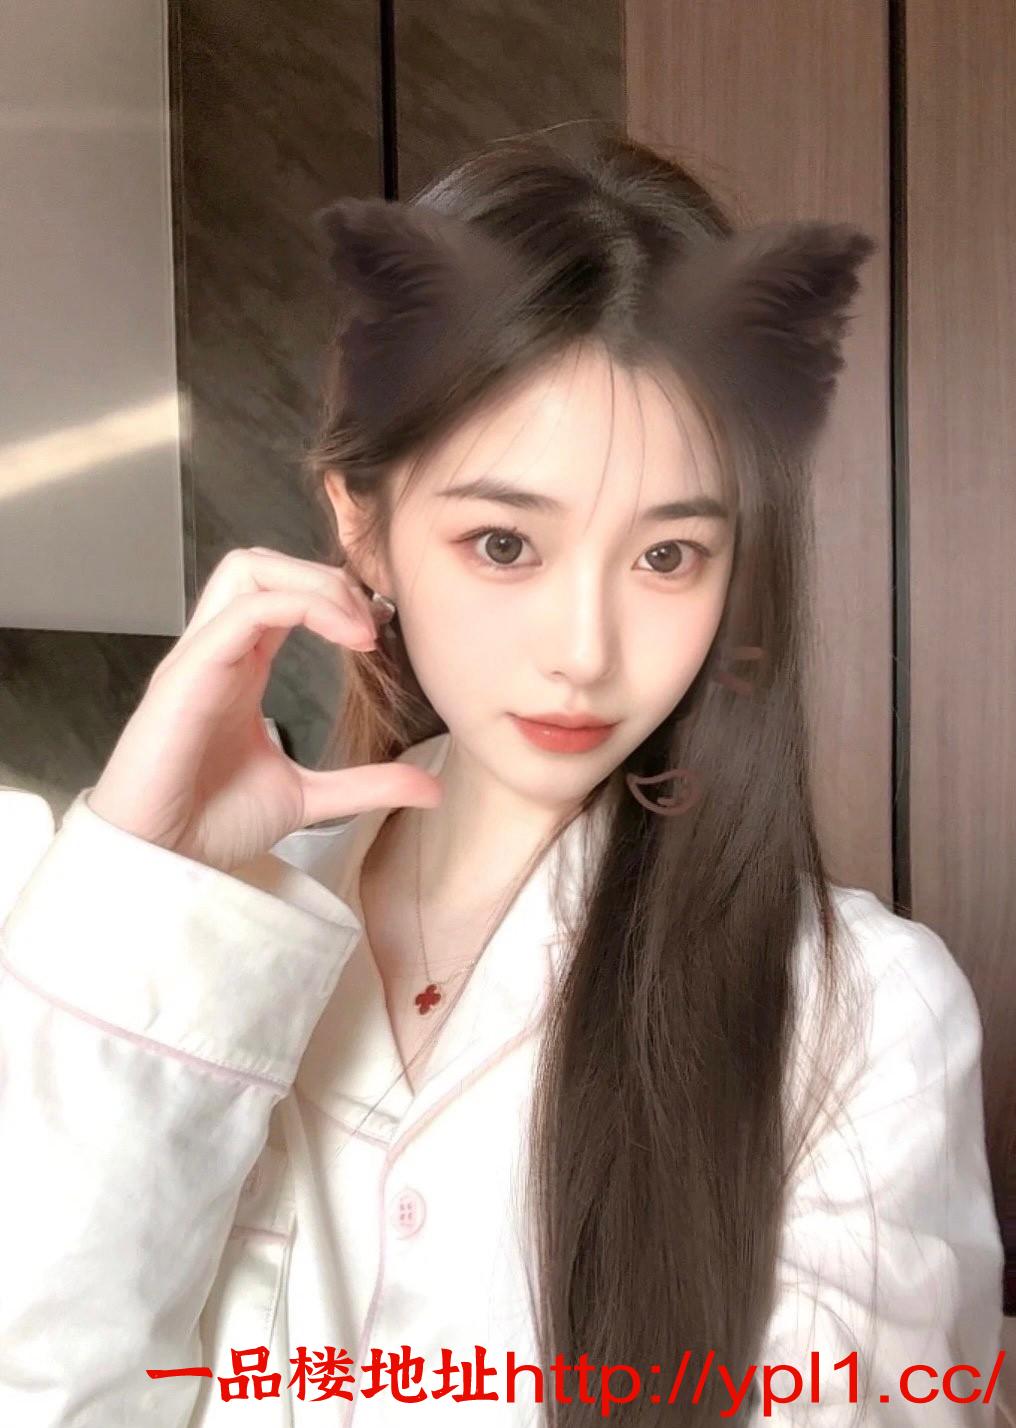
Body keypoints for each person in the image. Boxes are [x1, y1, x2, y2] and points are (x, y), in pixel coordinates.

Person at [0, 125, 1004, 1427]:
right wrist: (152, 888)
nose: (584, 651)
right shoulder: (160, 938)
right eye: (504, 543)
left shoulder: (856, 1016)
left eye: (667, 557)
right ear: (363, 524)